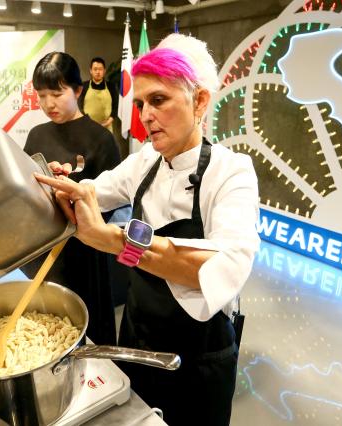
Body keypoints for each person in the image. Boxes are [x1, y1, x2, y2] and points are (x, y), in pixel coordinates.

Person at [34, 34, 260, 426]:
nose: (144, 116)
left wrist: (112, 240)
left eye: (159, 100)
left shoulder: (232, 172)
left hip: (199, 357)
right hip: (138, 335)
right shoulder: (145, 162)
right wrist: (63, 186)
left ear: (200, 101)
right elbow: (93, 191)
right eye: (139, 104)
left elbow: (220, 267)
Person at [23, 51, 121, 345]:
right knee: (49, 331)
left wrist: (74, 199)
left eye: (57, 92)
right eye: (41, 95)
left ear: (78, 90)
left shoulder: (101, 140)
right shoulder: (37, 134)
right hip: (45, 249)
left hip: (85, 252)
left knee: (89, 331)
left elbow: (114, 207)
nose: (48, 103)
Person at [78, 57, 118, 132]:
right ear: (91, 71)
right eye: (95, 69)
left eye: (100, 69)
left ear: (104, 71)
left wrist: (108, 122)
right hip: (88, 127)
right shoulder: (84, 86)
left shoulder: (111, 86)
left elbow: (115, 108)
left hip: (107, 128)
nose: (98, 72)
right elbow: (80, 107)